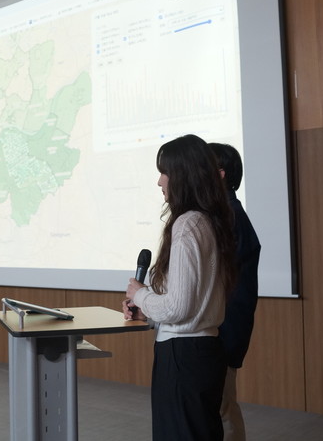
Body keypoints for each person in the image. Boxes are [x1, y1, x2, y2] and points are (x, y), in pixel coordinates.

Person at [123, 134, 237, 441]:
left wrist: (140, 294)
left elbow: (178, 307)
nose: (160, 181)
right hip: (202, 353)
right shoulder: (209, 220)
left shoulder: (188, 224)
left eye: (165, 172)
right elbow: (191, 303)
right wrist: (148, 311)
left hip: (183, 357)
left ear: (184, 175)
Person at [207, 142, 261, 441]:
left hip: (223, 329)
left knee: (222, 408)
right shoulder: (223, 213)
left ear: (220, 174)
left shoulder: (226, 216)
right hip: (222, 327)